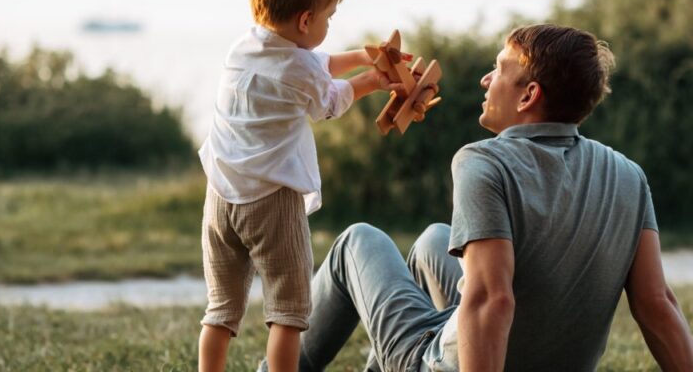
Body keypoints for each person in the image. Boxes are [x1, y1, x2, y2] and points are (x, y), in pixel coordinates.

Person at [268, 24, 693, 371]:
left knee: (357, 242)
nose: (485, 80)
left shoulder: (483, 162)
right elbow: (657, 304)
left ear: (528, 96)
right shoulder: (628, 174)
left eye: (498, 69)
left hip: (455, 364)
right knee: (437, 239)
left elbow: (493, 299)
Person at [196, 0, 407, 372]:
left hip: (220, 196)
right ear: (306, 20)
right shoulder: (300, 69)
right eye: (329, 17)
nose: (330, 24)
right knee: (288, 312)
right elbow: (327, 101)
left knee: (221, 310)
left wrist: (366, 56)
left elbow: (314, 64)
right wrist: (374, 79)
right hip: (270, 200)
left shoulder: (245, 47)